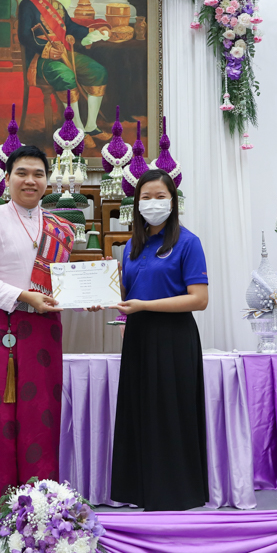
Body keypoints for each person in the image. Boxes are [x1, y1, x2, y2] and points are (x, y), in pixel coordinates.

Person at [0, 145, 75, 511]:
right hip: (5, 330)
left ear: (47, 180)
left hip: (45, 330)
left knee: (43, 415)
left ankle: (43, 505)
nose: (30, 180)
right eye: (22, 173)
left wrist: (85, 295)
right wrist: (24, 296)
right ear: (7, 178)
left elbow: (65, 284)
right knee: (1, 418)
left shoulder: (61, 228)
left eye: (38, 174)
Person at [109, 169, 210, 511]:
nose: (153, 203)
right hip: (138, 337)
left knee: (171, 413)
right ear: (136, 203)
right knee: (140, 413)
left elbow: (199, 299)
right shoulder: (132, 247)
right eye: (146, 197)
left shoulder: (188, 242)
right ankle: (141, 492)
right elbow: (126, 296)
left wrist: (144, 306)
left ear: (173, 201)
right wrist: (102, 295)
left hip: (173, 337)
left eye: (160, 196)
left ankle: (177, 495)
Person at [16, 0, 108, 134]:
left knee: (98, 71)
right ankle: (78, 130)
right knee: (66, 77)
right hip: (40, 58)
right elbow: (24, 36)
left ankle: (91, 126)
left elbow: (71, 27)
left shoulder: (58, 6)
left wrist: (92, 31)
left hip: (64, 53)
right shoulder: (27, 5)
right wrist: (46, 50)